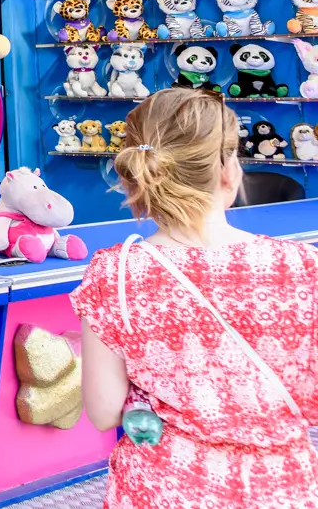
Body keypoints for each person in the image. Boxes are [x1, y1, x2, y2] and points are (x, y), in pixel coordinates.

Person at [71, 87, 318, 508]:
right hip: (280, 488)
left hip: (160, 487)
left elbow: (103, 412)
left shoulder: (115, 274)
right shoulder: (301, 265)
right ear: (229, 171)